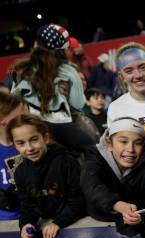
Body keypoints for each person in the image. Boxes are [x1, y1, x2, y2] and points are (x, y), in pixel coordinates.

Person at [11, 24, 95, 153]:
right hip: (60, 126)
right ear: (63, 49)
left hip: (31, 127)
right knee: (94, 151)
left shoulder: (21, 69)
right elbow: (78, 104)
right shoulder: (68, 70)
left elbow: (13, 101)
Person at [81, 117, 145, 238]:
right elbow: (91, 185)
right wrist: (118, 205)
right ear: (109, 144)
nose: (130, 149)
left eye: (138, 143)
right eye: (123, 142)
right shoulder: (94, 158)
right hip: (101, 223)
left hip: (134, 224)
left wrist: (144, 217)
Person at [8, 114, 85, 238]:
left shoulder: (66, 162)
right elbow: (29, 206)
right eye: (21, 143)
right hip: (49, 230)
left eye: (34, 140)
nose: (29, 148)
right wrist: (26, 223)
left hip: (74, 230)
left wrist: (58, 222)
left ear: (45, 137)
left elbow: (79, 199)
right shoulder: (20, 172)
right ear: (14, 146)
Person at [107, 43, 145, 133]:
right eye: (129, 71)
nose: (138, 75)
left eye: (143, 67)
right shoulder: (115, 108)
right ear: (122, 77)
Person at [0, 93, 28, 220]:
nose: (27, 120)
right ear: (3, 119)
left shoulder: (31, 146)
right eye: (21, 116)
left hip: (31, 218)